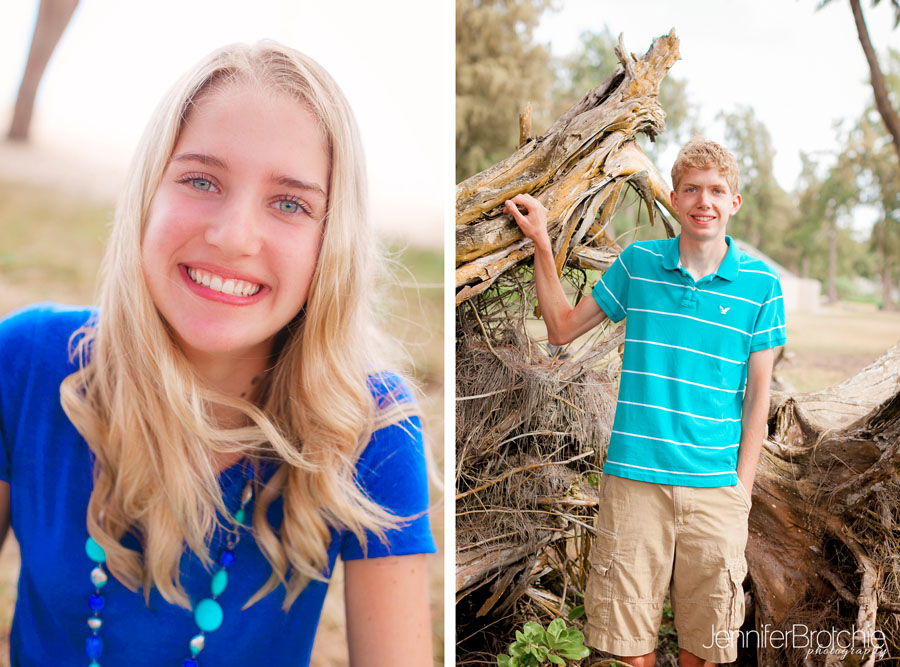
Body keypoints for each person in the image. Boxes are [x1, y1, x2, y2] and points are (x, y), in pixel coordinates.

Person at [0, 42, 436, 666]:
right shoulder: (27, 363)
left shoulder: (370, 425)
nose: (232, 236)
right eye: (201, 180)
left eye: (290, 203)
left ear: (329, 240)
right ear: (148, 192)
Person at [506, 139, 785, 666]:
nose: (705, 201)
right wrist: (543, 241)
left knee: (706, 650)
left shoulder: (762, 286)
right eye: (693, 190)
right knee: (631, 651)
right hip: (635, 484)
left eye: (717, 191)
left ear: (734, 203)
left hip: (716, 492)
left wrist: (741, 494)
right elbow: (562, 328)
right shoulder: (639, 265)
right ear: (675, 199)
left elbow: (757, 403)